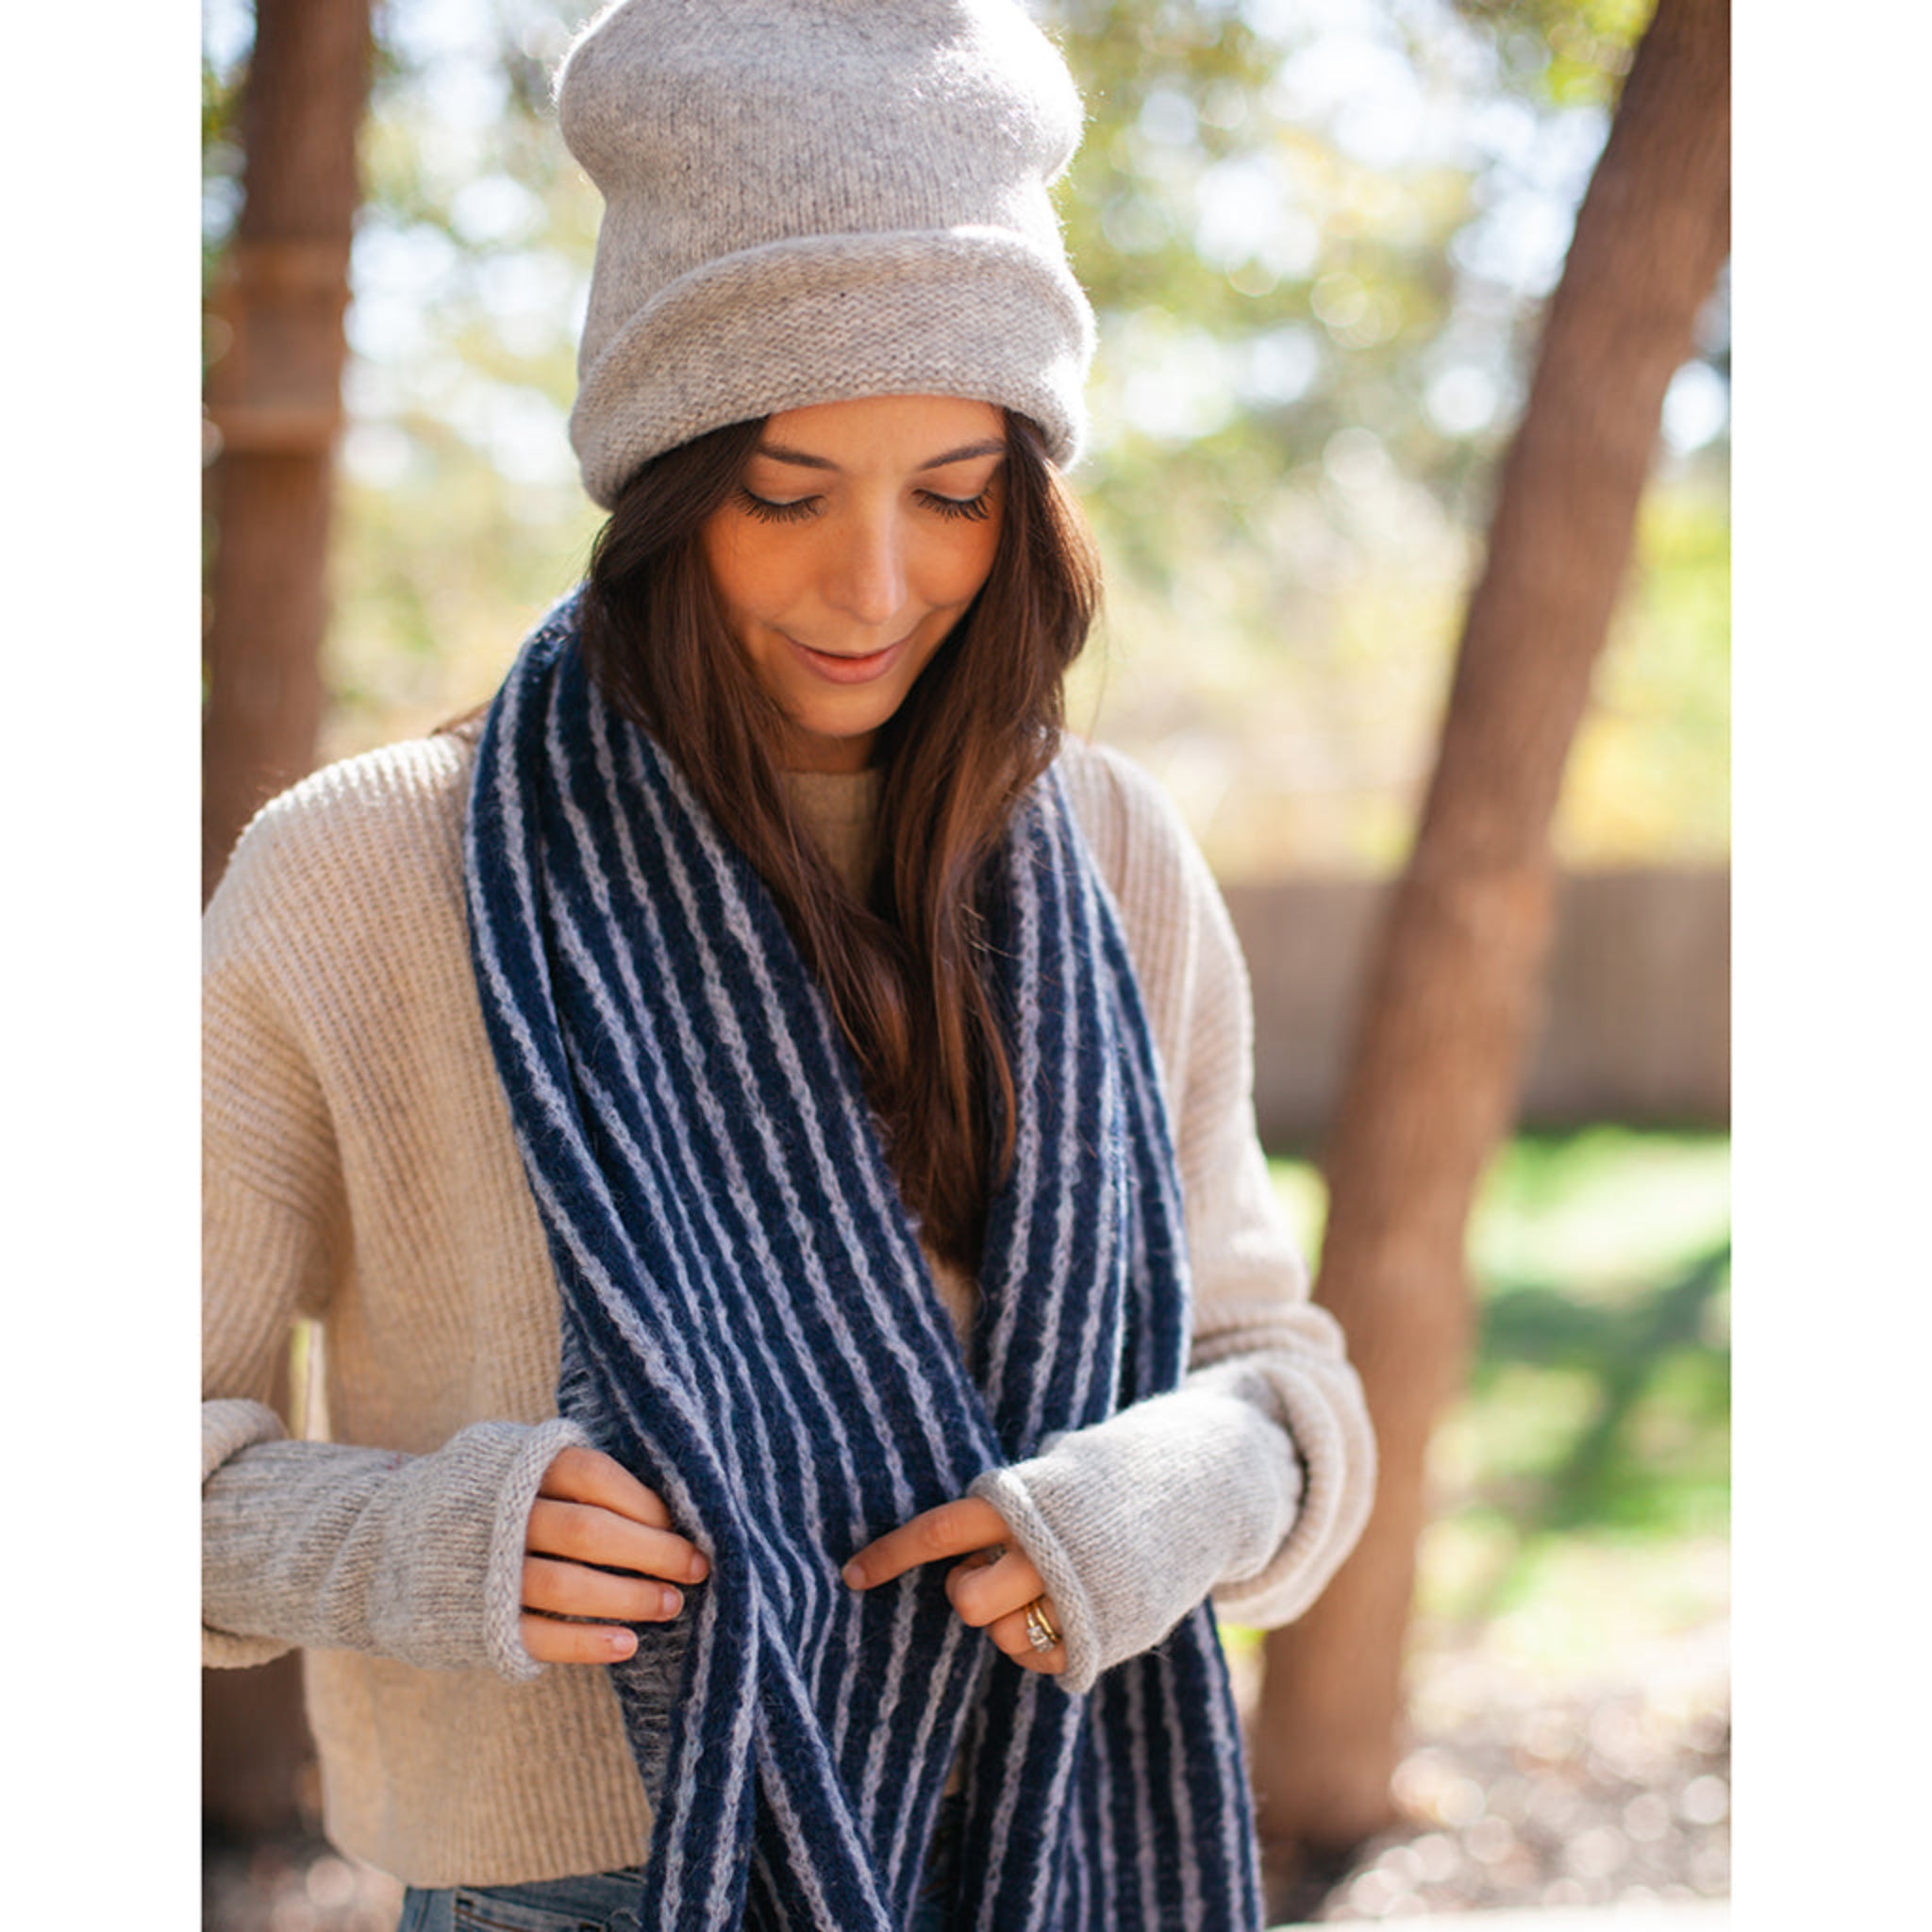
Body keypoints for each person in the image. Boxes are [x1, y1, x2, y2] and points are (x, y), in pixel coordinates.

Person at [200, 4, 1376, 1928]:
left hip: (1050, 1841)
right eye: (785, 488)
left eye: (955, 487)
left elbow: (1274, 1381)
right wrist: (421, 1541)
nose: (878, 585)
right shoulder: (368, 874)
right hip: (565, 1887)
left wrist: (1155, 1500)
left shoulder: (1111, 853)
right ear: (665, 476)